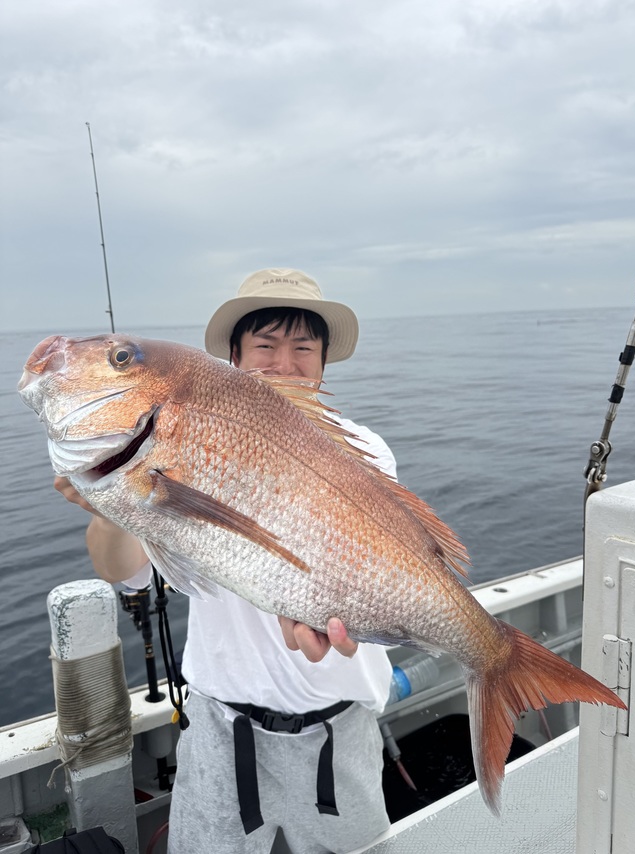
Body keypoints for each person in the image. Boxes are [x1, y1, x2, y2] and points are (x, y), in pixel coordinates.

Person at [55, 268, 396, 854]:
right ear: (234, 357)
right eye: (265, 344)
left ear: (323, 362)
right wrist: (113, 508)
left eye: (303, 348)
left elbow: (375, 569)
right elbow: (123, 572)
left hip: (339, 728)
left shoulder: (362, 451)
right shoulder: (180, 439)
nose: (283, 363)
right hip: (221, 726)